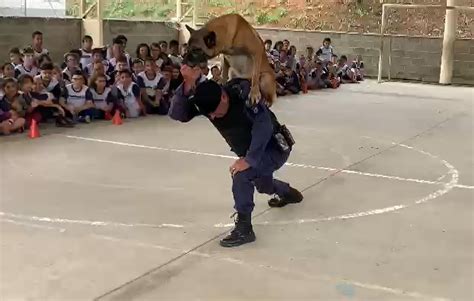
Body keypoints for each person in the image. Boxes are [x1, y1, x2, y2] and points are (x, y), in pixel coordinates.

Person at [168, 51, 303, 247]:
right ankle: (288, 192)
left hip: (274, 147)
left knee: (241, 174)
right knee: (262, 185)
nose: (214, 117)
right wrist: (187, 84)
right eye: (209, 115)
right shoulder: (206, 98)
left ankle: (245, 229)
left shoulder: (244, 94)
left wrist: (249, 159)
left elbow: (263, 125)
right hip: (251, 152)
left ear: (224, 97)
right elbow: (177, 114)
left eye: (215, 112)